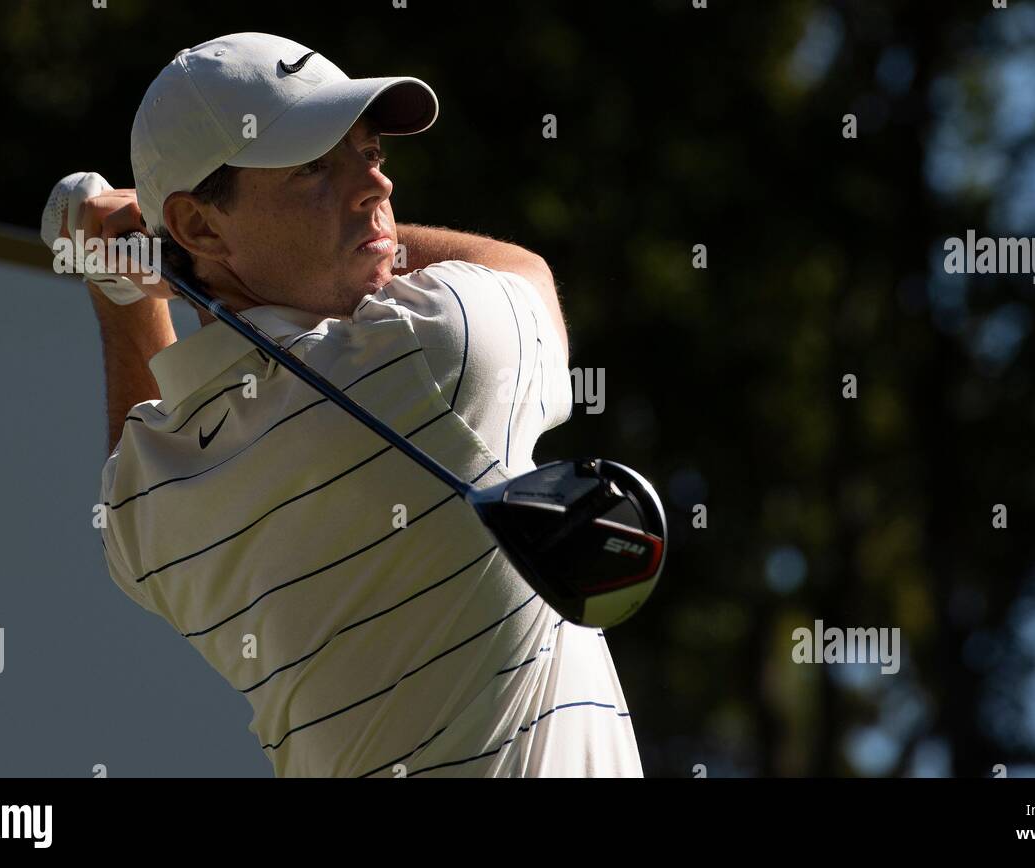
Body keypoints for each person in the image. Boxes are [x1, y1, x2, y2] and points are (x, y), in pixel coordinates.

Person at [68, 32, 642, 776]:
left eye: (369, 154)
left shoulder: (155, 505)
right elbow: (519, 267)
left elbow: (127, 464)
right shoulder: (438, 346)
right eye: (314, 168)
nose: (378, 188)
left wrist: (121, 285)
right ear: (202, 225)